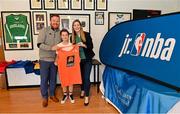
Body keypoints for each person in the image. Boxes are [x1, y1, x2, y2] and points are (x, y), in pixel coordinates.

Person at [37, 14, 61, 107]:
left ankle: (52, 95)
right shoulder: (44, 30)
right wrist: (51, 48)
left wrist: (57, 58)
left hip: (54, 61)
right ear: (50, 21)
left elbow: (60, 47)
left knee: (53, 79)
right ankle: (44, 97)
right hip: (44, 60)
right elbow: (39, 44)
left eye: (57, 21)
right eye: (54, 20)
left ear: (59, 22)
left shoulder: (60, 32)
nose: (55, 22)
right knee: (44, 80)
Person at [52, 29, 82, 104]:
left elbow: (77, 54)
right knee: (64, 80)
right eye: (63, 35)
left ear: (68, 36)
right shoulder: (59, 46)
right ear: (61, 36)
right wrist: (56, 61)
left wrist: (78, 58)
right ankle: (65, 95)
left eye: (66, 35)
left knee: (71, 80)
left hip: (71, 66)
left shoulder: (72, 45)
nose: (65, 36)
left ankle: (71, 94)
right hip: (62, 66)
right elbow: (55, 52)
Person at [71, 19, 95, 106]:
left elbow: (91, 46)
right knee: (80, 77)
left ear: (80, 26)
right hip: (78, 61)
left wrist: (83, 45)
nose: (76, 27)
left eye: (78, 25)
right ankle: (82, 90)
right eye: (74, 25)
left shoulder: (86, 34)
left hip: (87, 59)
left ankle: (86, 96)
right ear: (73, 27)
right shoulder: (72, 37)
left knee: (86, 78)